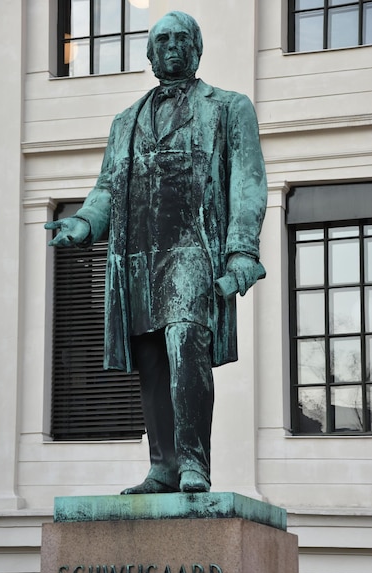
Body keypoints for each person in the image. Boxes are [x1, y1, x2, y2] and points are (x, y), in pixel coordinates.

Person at [45, 11, 267, 495]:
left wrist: (242, 252)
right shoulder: (125, 122)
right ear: (148, 55)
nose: (171, 45)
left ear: (197, 48)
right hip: (138, 256)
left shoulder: (229, 108)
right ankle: (163, 465)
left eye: (180, 38)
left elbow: (248, 185)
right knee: (151, 360)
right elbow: (106, 187)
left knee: (187, 341)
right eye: (161, 39)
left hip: (194, 249)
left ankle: (193, 461)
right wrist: (82, 224)